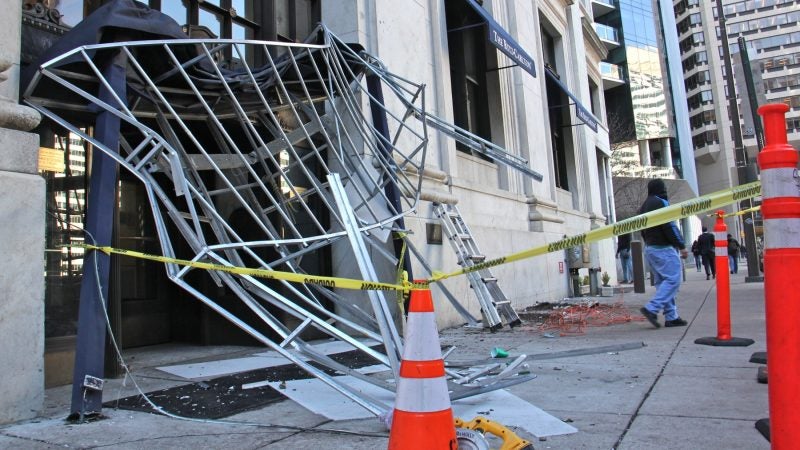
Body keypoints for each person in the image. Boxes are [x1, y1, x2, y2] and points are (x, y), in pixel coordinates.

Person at [637, 179, 689, 328]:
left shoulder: (644, 206)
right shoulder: (661, 202)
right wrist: (681, 245)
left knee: (663, 283)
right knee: (673, 280)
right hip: (663, 248)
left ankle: (672, 316)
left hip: (650, 248)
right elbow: (670, 226)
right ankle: (651, 308)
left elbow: (643, 230)